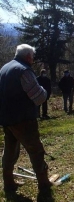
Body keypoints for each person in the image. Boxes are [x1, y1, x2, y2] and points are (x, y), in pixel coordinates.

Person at [0, 44, 52, 192]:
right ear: (28, 56)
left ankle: (8, 182)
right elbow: (39, 97)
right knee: (36, 150)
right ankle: (44, 183)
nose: (33, 59)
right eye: (33, 57)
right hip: (23, 119)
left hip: (6, 118)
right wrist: (44, 89)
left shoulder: (5, 68)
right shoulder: (23, 71)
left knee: (10, 150)